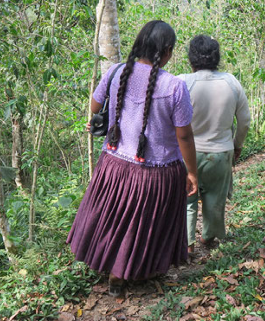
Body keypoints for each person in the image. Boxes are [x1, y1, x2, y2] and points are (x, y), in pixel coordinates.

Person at [67, 20, 198, 297]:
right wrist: (192, 172)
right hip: (156, 172)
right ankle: (133, 270)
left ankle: (114, 272)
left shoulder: (116, 73)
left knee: (113, 218)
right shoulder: (174, 87)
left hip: (113, 165)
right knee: (144, 223)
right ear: (167, 52)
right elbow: (184, 137)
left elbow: (94, 106)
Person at [177, 35, 250, 255]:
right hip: (220, 152)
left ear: (191, 58)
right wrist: (237, 145)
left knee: (187, 200)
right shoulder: (231, 82)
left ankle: (187, 245)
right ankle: (208, 236)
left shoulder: (182, 82)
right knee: (215, 200)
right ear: (216, 57)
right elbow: (245, 121)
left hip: (187, 154)